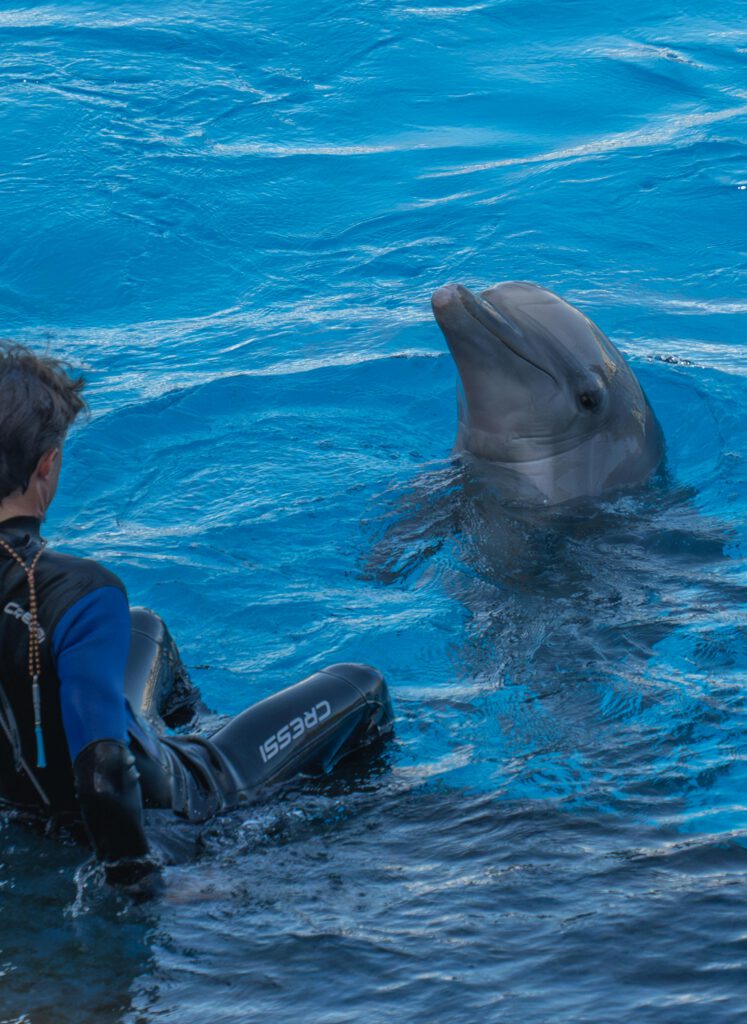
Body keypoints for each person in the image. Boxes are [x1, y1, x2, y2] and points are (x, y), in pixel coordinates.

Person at [0, 342, 393, 891]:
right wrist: (140, 884)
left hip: (28, 801)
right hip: (178, 798)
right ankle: (359, 818)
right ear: (48, 464)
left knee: (145, 626)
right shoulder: (81, 590)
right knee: (360, 685)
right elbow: (105, 773)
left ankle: (193, 722)